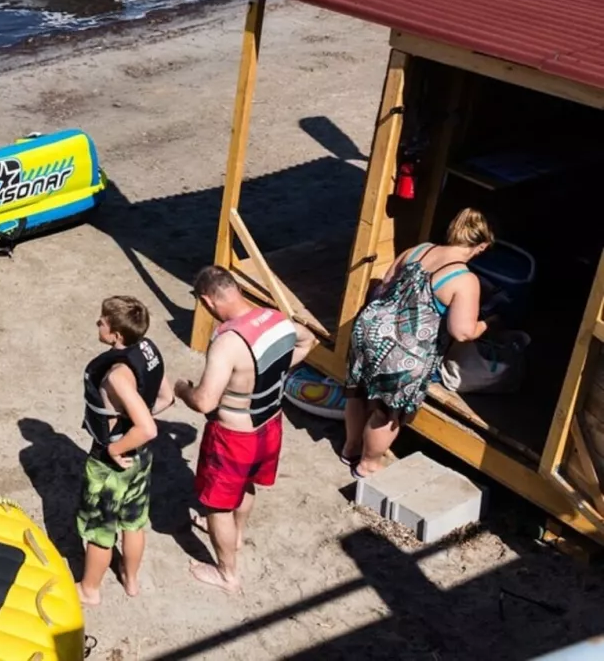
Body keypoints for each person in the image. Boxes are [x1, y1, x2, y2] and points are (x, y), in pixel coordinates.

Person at [177, 266, 314, 593]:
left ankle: (227, 574)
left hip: (234, 436)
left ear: (208, 301)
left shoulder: (228, 342)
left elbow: (205, 401)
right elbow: (308, 341)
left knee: (217, 505)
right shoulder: (276, 319)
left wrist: (183, 389)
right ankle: (236, 536)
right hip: (270, 424)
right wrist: (273, 370)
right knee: (247, 484)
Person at [345, 208, 492, 478]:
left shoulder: (418, 250)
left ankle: (350, 448)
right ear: (481, 246)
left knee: (359, 392)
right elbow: (462, 331)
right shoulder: (465, 279)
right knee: (387, 412)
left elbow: (384, 285)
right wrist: (487, 324)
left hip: (368, 328)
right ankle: (368, 465)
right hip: (402, 351)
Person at [77, 295, 173, 605]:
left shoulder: (118, 375)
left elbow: (148, 428)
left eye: (103, 321)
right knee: (134, 522)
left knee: (100, 530)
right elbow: (166, 397)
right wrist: (137, 422)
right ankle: (130, 580)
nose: (98, 322)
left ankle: (89, 590)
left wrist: (115, 448)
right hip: (141, 457)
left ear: (116, 335)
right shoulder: (146, 349)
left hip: (113, 463)